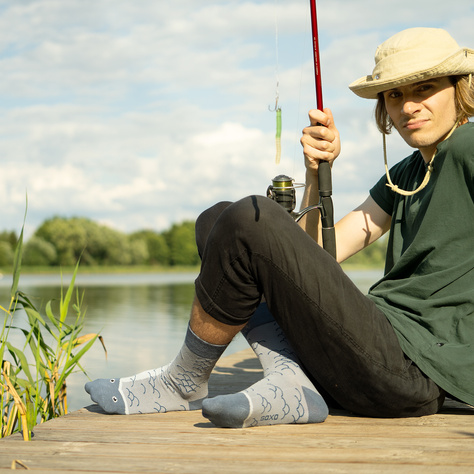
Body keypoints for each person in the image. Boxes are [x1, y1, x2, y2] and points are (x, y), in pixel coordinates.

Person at [85, 27, 474, 427]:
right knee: (218, 221)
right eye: (394, 95)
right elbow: (321, 256)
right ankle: (291, 381)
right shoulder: (407, 172)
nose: (408, 106)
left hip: (416, 370)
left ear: (458, 88)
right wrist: (316, 171)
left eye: (424, 89)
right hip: (377, 350)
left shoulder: (468, 144)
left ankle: (184, 381)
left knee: (250, 215)